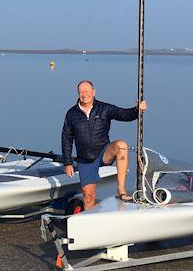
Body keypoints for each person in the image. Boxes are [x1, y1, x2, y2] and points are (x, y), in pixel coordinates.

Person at [61, 80, 147, 209]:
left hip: (104, 152)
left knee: (121, 145)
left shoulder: (104, 108)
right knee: (88, 197)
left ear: (93, 92)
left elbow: (123, 114)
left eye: (87, 91)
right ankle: (89, 225)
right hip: (86, 159)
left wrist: (136, 110)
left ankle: (121, 189)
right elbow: (66, 138)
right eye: (81, 92)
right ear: (78, 94)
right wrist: (67, 163)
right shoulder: (71, 114)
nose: (84, 94)